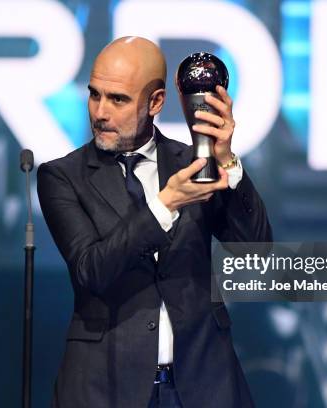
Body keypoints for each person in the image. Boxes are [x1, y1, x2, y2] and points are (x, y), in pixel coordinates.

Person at [37, 36, 272, 408]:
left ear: (156, 102)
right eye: (95, 94)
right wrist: (166, 204)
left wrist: (226, 159)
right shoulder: (63, 176)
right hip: (106, 386)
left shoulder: (192, 164)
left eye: (118, 100)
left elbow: (256, 252)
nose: (100, 112)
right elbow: (90, 270)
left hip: (202, 384)